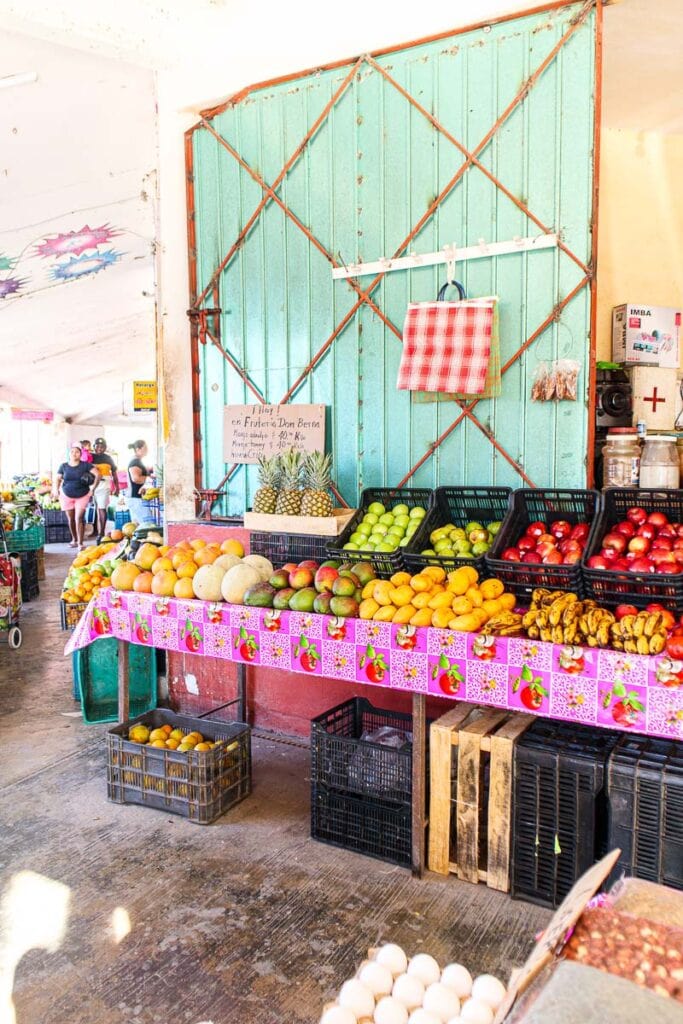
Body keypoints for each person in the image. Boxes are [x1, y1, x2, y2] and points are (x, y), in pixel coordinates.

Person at [53, 446, 100, 549]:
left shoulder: (85, 465)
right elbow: (57, 479)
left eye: (77, 452)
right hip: (66, 495)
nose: (74, 454)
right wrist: (55, 490)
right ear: (69, 454)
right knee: (71, 519)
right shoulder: (63, 466)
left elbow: (98, 474)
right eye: (72, 452)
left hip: (82, 495)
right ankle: (74, 539)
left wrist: (93, 489)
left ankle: (80, 542)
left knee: (78, 518)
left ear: (80, 454)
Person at [90, 437, 119, 541]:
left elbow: (114, 474)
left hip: (104, 486)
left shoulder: (108, 458)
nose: (99, 448)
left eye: (102, 447)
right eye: (97, 446)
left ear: (105, 448)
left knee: (102, 508)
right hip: (91, 485)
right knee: (93, 508)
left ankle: (101, 532)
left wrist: (117, 487)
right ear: (94, 447)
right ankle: (95, 530)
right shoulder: (90, 457)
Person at [126, 439, 152, 525]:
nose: (147, 450)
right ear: (137, 449)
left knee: (138, 526)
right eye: (145, 448)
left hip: (135, 498)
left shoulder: (137, 461)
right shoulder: (135, 462)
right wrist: (149, 478)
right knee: (147, 525)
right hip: (136, 498)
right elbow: (136, 479)